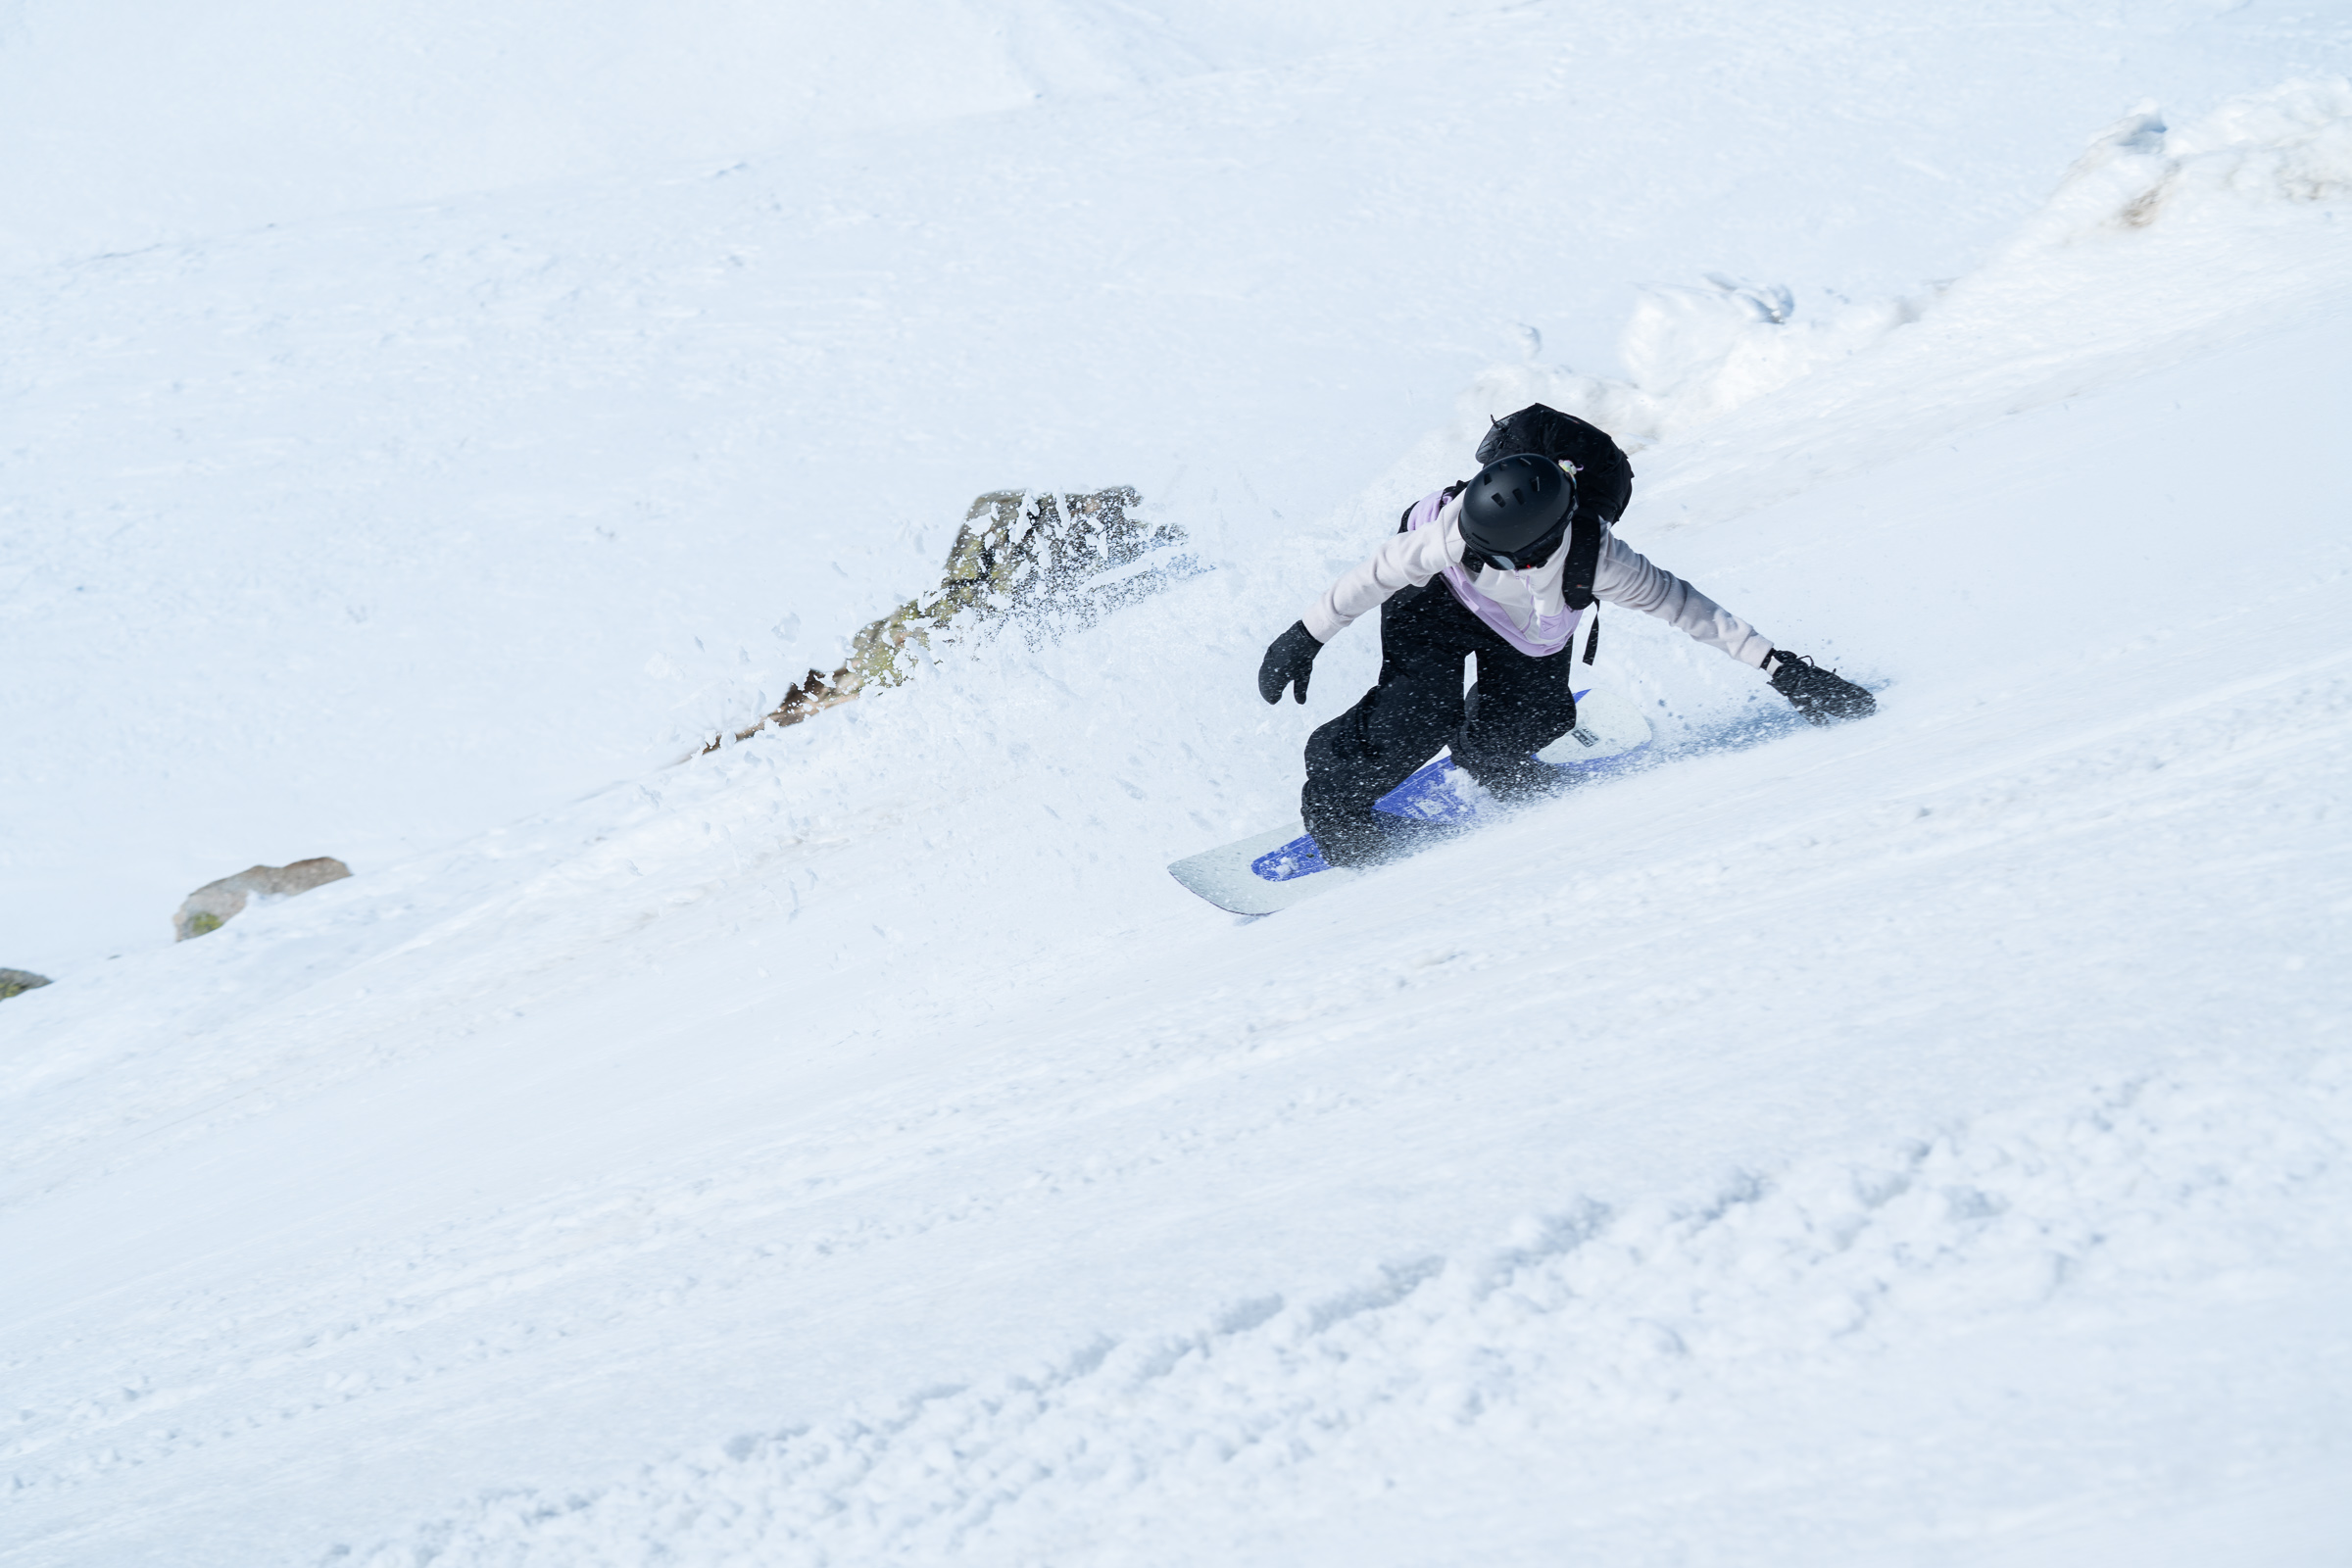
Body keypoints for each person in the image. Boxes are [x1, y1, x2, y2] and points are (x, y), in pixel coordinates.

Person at [1256, 403, 1875, 866]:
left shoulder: (1601, 561)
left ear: (1537, 551)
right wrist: (1304, 636)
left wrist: (1782, 668)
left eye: (1498, 558)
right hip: (1434, 602)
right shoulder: (1449, 536)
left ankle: (1486, 754)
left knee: (1537, 717)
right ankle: (1333, 807)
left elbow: (1690, 609)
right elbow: (1375, 575)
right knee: (1417, 713)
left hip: (1525, 624)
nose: (1482, 557)